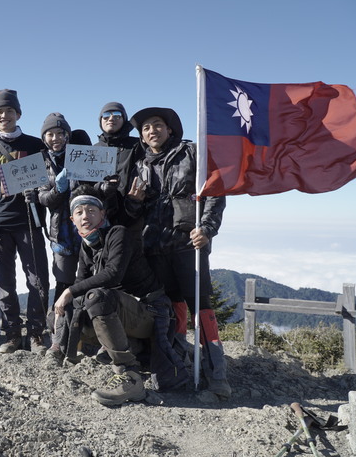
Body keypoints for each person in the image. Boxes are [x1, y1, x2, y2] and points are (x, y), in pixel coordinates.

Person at [129, 107, 230, 398]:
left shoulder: (192, 153)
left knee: (201, 306)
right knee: (172, 308)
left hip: (189, 243)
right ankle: (180, 365)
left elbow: (215, 190)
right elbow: (138, 209)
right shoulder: (140, 163)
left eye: (157, 125)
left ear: (170, 129)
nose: (152, 131)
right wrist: (134, 203)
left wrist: (207, 228)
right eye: (146, 128)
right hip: (155, 245)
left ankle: (218, 378)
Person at [54, 186, 178, 405]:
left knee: (96, 298)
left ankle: (130, 376)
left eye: (92, 210)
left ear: (103, 214)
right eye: (80, 212)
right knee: (66, 309)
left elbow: (112, 275)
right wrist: (68, 303)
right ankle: (134, 349)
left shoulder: (118, 234)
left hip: (149, 311)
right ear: (72, 218)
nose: (86, 216)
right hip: (124, 314)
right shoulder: (87, 247)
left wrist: (69, 291)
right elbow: (80, 282)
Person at [0, 89, 49, 354]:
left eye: (9, 111)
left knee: (38, 279)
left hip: (30, 221)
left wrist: (40, 190)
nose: (4, 116)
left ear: (18, 114)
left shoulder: (35, 145)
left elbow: (49, 181)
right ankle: (12, 334)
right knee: (4, 282)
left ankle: (37, 334)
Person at [36, 112, 88, 355]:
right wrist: (59, 187)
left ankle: (84, 339)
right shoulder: (42, 163)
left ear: (68, 135)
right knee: (63, 286)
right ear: (44, 137)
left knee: (87, 285)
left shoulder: (84, 157)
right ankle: (58, 342)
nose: (55, 138)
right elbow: (44, 198)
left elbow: (94, 189)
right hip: (61, 236)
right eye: (50, 134)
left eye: (60, 133)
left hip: (88, 233)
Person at [93, 102, 144, 227]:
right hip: (101, 217)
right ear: (100, 120)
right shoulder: (93, 150)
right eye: (106, 115)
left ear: (124, 119)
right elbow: (87, 185)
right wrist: (102, 187)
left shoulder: (138, 145)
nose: (111, 118)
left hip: (132, 216)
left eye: (117, 115)